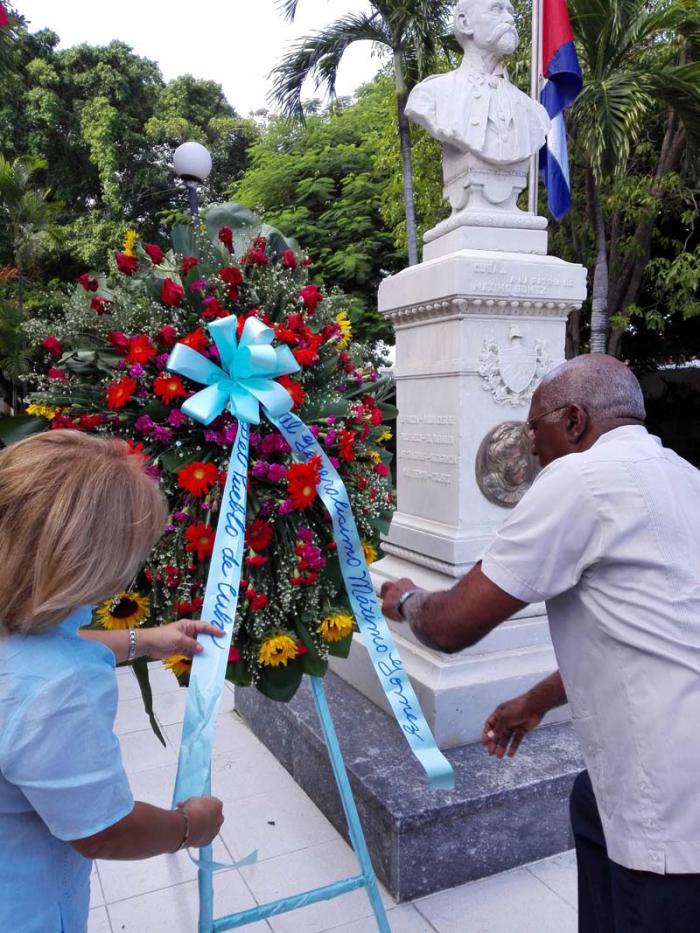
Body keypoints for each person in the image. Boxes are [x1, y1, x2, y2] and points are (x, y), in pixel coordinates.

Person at [381, 354, 700, 933]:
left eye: (535, 425)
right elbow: (650, 632)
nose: (528, 444)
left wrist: (406, 601)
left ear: (574, 421)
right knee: (588, 804)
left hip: (670, 807)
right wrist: (537, 700)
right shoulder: (684, 475)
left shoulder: (580, 480)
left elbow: (451, 625)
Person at [0, 431, 225, 933]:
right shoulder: (60, 692)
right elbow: (102, 830)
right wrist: (189, 827)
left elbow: (33, 649)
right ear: (93, 564)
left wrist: (141, 641)